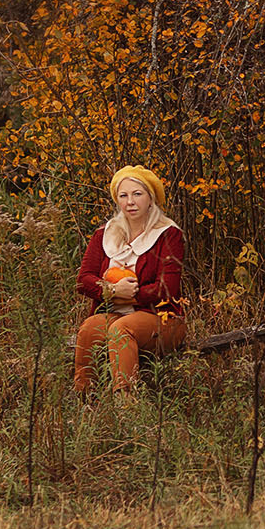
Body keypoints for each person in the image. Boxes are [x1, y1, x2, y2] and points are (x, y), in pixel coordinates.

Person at [73, 164, 188, 393]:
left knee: (121, 329)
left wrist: (131, 296)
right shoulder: (104, 234)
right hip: (114, 313)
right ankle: (85, 398)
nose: (130, 202)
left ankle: (126, 402)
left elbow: (168, 289)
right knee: (89, 328)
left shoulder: (169, 234)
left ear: (151, 198)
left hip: (161, 318)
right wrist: (112, 292)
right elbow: (83, 279)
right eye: (123, 195)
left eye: (137, 194)